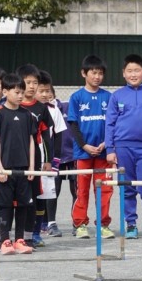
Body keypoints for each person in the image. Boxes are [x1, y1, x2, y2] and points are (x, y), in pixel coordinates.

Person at [105, 54, 142, 239]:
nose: (133, 74)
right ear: (123, 74)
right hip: (122, 148)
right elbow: (110, 123)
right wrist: (110, 150)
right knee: (127, 188)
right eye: (129, 71)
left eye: (137, 70)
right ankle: (131, 225)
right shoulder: (117, 96)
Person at [67, 55, 114, 240]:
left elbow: (111, 123)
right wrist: (84, 145)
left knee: (104, 189)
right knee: (82, 189)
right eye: (93, 73)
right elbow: (73, 125)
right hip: (83, 152)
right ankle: (80, 224)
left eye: (100, 73)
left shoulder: (108, 97)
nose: (97, 77)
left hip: (103, 152)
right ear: (84, 73)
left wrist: (105, 143)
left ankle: (103, 224)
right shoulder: (76, 97)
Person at [0, 73, 36, 255]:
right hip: (6, 168)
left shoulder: (27, 115)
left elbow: (32, 141)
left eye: (22, 93)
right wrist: (0, 168)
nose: (20, 96)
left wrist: (32, 167)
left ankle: (20, 239)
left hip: (24, 168)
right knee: (6, 205)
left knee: (23, 204)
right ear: (6, 91)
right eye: (17, 92)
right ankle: (5, 240)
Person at [18, 64, 55, 249]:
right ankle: (15, 235)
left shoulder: (41, 108)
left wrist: (48, 160)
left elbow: (47, 135)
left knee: (36, 196)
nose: (32, 86)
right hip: (14, 157)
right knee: (17, 197)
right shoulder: (12, 106)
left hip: (36, 158)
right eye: (28, 82)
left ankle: (34, 233)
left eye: (35, 82)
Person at [36, 71, 66, 238]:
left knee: (50, 190)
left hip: (49, 160)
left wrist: (55, 159)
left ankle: (51, 222)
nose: (45, 94)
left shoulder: (54, 110)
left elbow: (59, 135)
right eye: (42, 90)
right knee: (35, 192)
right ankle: (35, 223)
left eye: (48, 91)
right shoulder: (27, 109)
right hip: (32, 159)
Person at [53, 85, 78, 231]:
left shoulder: (67, 107)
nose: (45, 95)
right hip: (55, 158)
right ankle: (49, 222)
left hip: (72, 156)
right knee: (53, 191)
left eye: (48, 92)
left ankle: (77, 222)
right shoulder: (41, 111)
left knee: (76, 191)